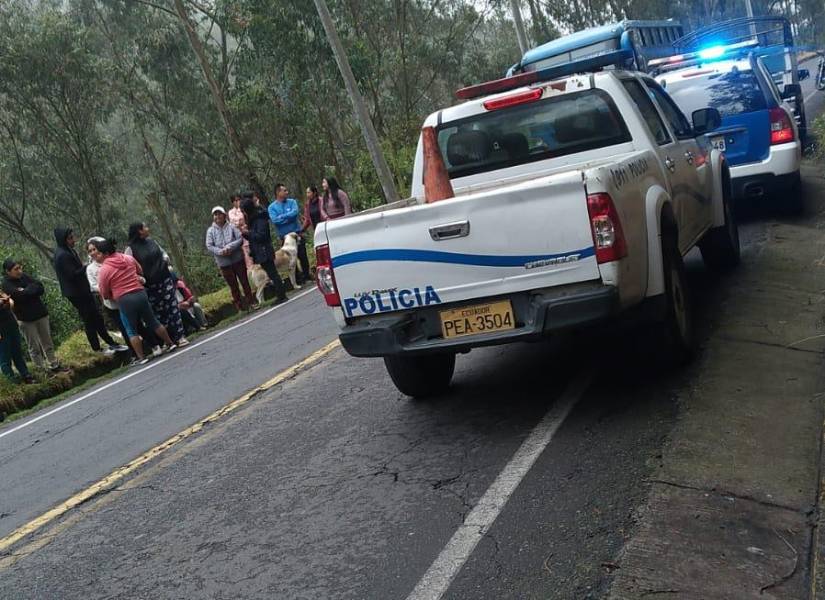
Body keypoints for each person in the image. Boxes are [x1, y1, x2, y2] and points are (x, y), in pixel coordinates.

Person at [92, 238, 177, 365]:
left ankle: (141, 357)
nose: (97, 255)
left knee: (131, 329)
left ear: (105, 253)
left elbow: (104, 291)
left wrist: (111, 294)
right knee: (153, 321)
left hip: (124, 299)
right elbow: (140, 271)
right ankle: (170, 343)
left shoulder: (105, 269)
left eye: (98, 253)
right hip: (140, 293)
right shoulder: (127, 258)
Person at [53, 227, 127, 356]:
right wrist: (88, 267)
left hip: (82, 290)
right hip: (76, 293)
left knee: (96, 317)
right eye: (70, 238)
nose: (73, 240)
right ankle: (97, 348)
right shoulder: (62, 255)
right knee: (89, 319)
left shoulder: (68, 251)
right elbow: (72, 275)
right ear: (63, 240)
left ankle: (110, 343)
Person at [126, 223, 188, 346]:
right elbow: (129, 267)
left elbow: (163, 253)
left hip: (165, 279)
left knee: (173, 308)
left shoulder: (152, 241)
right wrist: (140, 279)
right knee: (159, 313)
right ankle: (169, 339)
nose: (147, 229)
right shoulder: (130, 249)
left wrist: (165, 260)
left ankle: (180, 336)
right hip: (149, 285)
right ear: (139, 231)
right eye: (145, 227)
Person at [2, 259, 62, 373]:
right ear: (8, 271)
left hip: (40, 314)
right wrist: (29, 290)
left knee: (47, 342)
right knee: (34, 347)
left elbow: (40, 287)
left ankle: (54, 364)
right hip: (26, 319)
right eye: (16, 269)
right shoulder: (6, 284)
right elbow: (18, 296)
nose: (19, 271)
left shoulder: (24, 276)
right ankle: (41, 370)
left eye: (20, 268)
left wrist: (25, 291)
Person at [206, 206, 257, 311]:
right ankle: (240, 307)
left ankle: (251, 302)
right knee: (233, 285)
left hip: (237, 259)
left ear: (224, 215)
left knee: (244, 281)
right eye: (215, 214)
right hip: (224, 263)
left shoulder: (232, 226)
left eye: (219, 213)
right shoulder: (210, 231)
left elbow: (240, 239)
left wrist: (230, 247)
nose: (218, 216)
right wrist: (221, 251)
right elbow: (209, 245)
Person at [240, 197, 287, 304]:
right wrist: (245, 234)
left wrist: (249, 233)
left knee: (273, 273)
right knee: (271, 274)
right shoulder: (253, 220)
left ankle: (281, 295)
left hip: (264, 250)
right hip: (260, 251)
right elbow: (254, 237)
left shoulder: (259, 219)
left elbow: (262, 236)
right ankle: (280, 294)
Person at [268, 183, 310, 284]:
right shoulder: (272, 207)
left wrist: (282, 216)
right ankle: (297, 279)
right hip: (285, 238)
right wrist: (288, 217)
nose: (287, 192)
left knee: (302, 255)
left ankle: (307, 276)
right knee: (290, 259)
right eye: (284, 191)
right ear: (278, 192)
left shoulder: (292, 202)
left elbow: (294, 213)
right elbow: (275, 221)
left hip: (296, 234)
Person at [227, 194, 253, 269]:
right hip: (241, 237)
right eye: (236, 200)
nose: (238, 201)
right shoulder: (231, 212)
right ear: (233, 202)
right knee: (247, 256)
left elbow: (247, 219)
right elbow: (235, 222)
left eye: (239, 199)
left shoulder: (245, 208)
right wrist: (242, 222)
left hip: (250, 233)